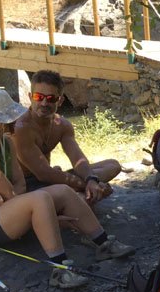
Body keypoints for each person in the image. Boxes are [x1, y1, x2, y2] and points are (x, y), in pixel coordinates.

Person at [0, 89, 135, 289]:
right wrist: (39, 214)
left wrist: (22, 207)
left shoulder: (6, 142)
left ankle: (103, 243)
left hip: (7, 207)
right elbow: (10, 193)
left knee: (62, 190)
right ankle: (60, 268)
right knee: (40, 199)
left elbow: (19, 185)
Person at [13, 70, 122, 204]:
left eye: (51, 98)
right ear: (30, 97)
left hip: (51, 179)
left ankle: (84, 194)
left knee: (113, 165)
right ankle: (85, 195)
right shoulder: (22, 127)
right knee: (79, 200)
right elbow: (43, 174)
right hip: (28, 185)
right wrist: (88, 185)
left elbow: (78, 160)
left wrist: (91, 179)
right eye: (38, 97)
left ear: (60, 100)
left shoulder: (62, 125)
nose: (44, 103)